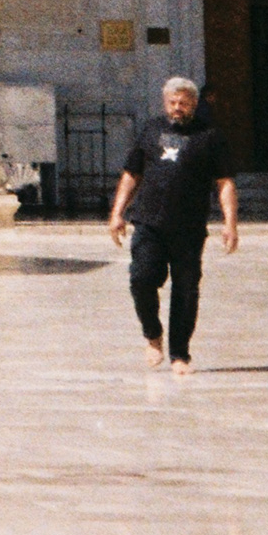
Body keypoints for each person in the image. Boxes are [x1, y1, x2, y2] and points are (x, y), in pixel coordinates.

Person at [109, 75, 240, 374]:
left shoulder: (210, 136)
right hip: (149, 223)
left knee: (186, 290)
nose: (177, 108)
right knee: (141, 279)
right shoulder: (151, 130)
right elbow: (132, 173)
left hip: (189, 227)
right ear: (165, 102)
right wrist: (117, 212)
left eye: (183, 103)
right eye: (172, 102)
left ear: (194, 104)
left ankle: (180, 355)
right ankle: (153, 334)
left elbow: (225, 183)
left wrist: (230, 223)